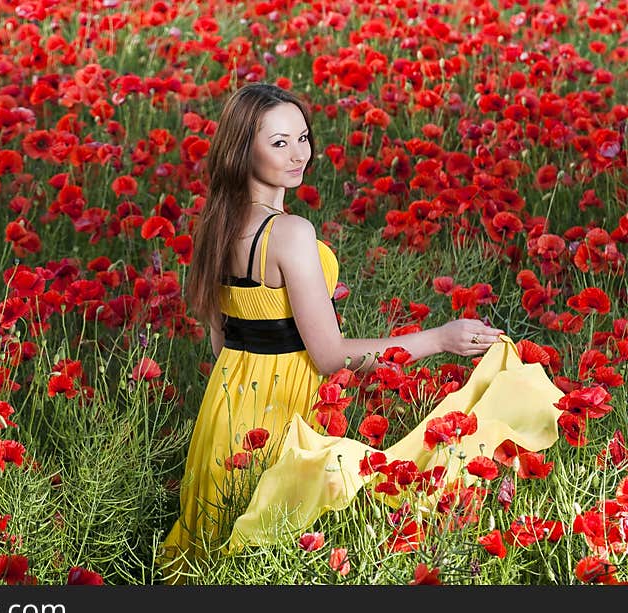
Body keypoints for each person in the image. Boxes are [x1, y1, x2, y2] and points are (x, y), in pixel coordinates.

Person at [158, 83, 562, 583]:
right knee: (298, 539)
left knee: (228, 550)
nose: (298, 153)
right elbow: (329, 356)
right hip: (285, 411)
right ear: (244, 149)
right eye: (279, 142)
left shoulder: (215, 225)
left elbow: (223, 344)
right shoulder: (290, 234)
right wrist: (440, 338)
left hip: (225, 412)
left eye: (302, 137)